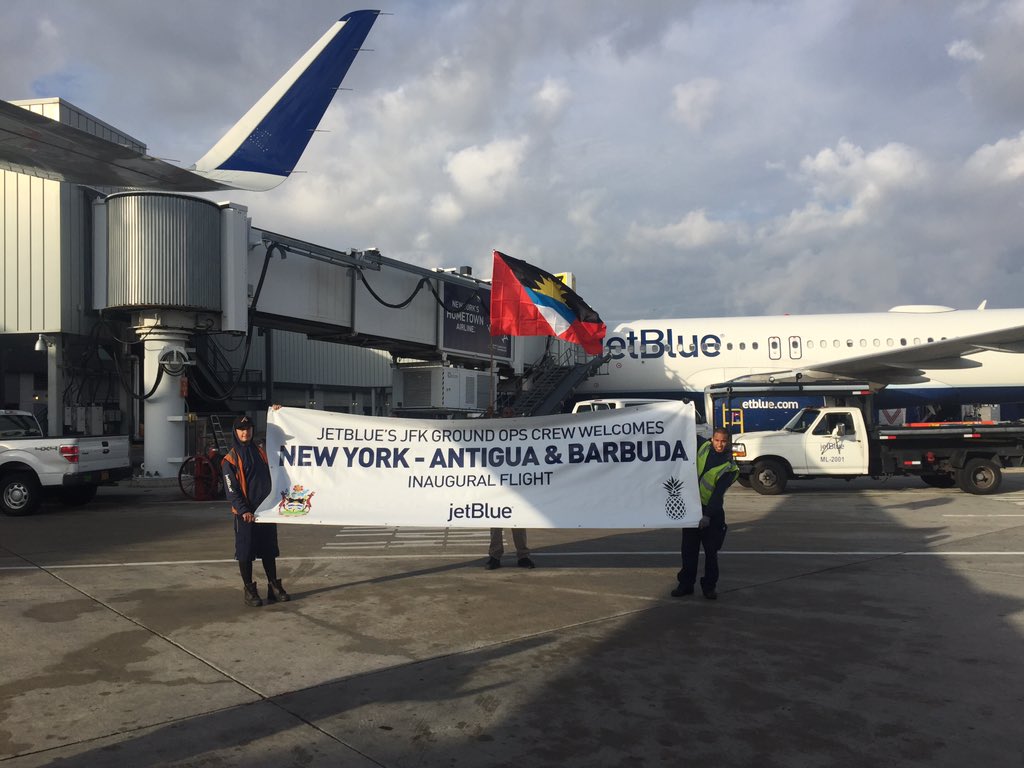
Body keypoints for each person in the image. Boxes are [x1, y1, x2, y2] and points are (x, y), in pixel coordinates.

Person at [222, 413, 289, 607]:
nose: (245, 432)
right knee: (246, 552)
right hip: (246, 514)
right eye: (242, 429)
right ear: (235, 432)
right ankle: (249, 590)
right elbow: (231, 490)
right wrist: (244, 510)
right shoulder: (230, 460)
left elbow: (281, 443)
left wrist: (279, 413)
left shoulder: (262, 451)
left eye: (248, 429)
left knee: (269, 550)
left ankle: (273, 586)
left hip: (266, 511)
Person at [672, 427, 738, 600]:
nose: (720, 444)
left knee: (711, 553)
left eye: (723, 441)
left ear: (728, 442)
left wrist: (707, 516)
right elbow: (687, 429)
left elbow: (717, 495)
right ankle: (686, 584)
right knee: (688, 551)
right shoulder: (702, 447)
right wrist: (684, 406)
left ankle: (709, 587)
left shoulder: (729, 466)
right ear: (711, 440)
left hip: (712, 515)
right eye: (717, 440)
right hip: (693, 510)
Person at [485, 406, 536, 570]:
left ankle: (523, 556)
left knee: (518, 522)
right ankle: (494, 556)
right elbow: (482, 433)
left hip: (516, 484)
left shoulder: (521, 431)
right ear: (501, 415)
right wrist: (489, 416)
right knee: (495, 523)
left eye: (511, 412)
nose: (509, 415)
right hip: (497, 484)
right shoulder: (495, 430)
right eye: (506, 413)